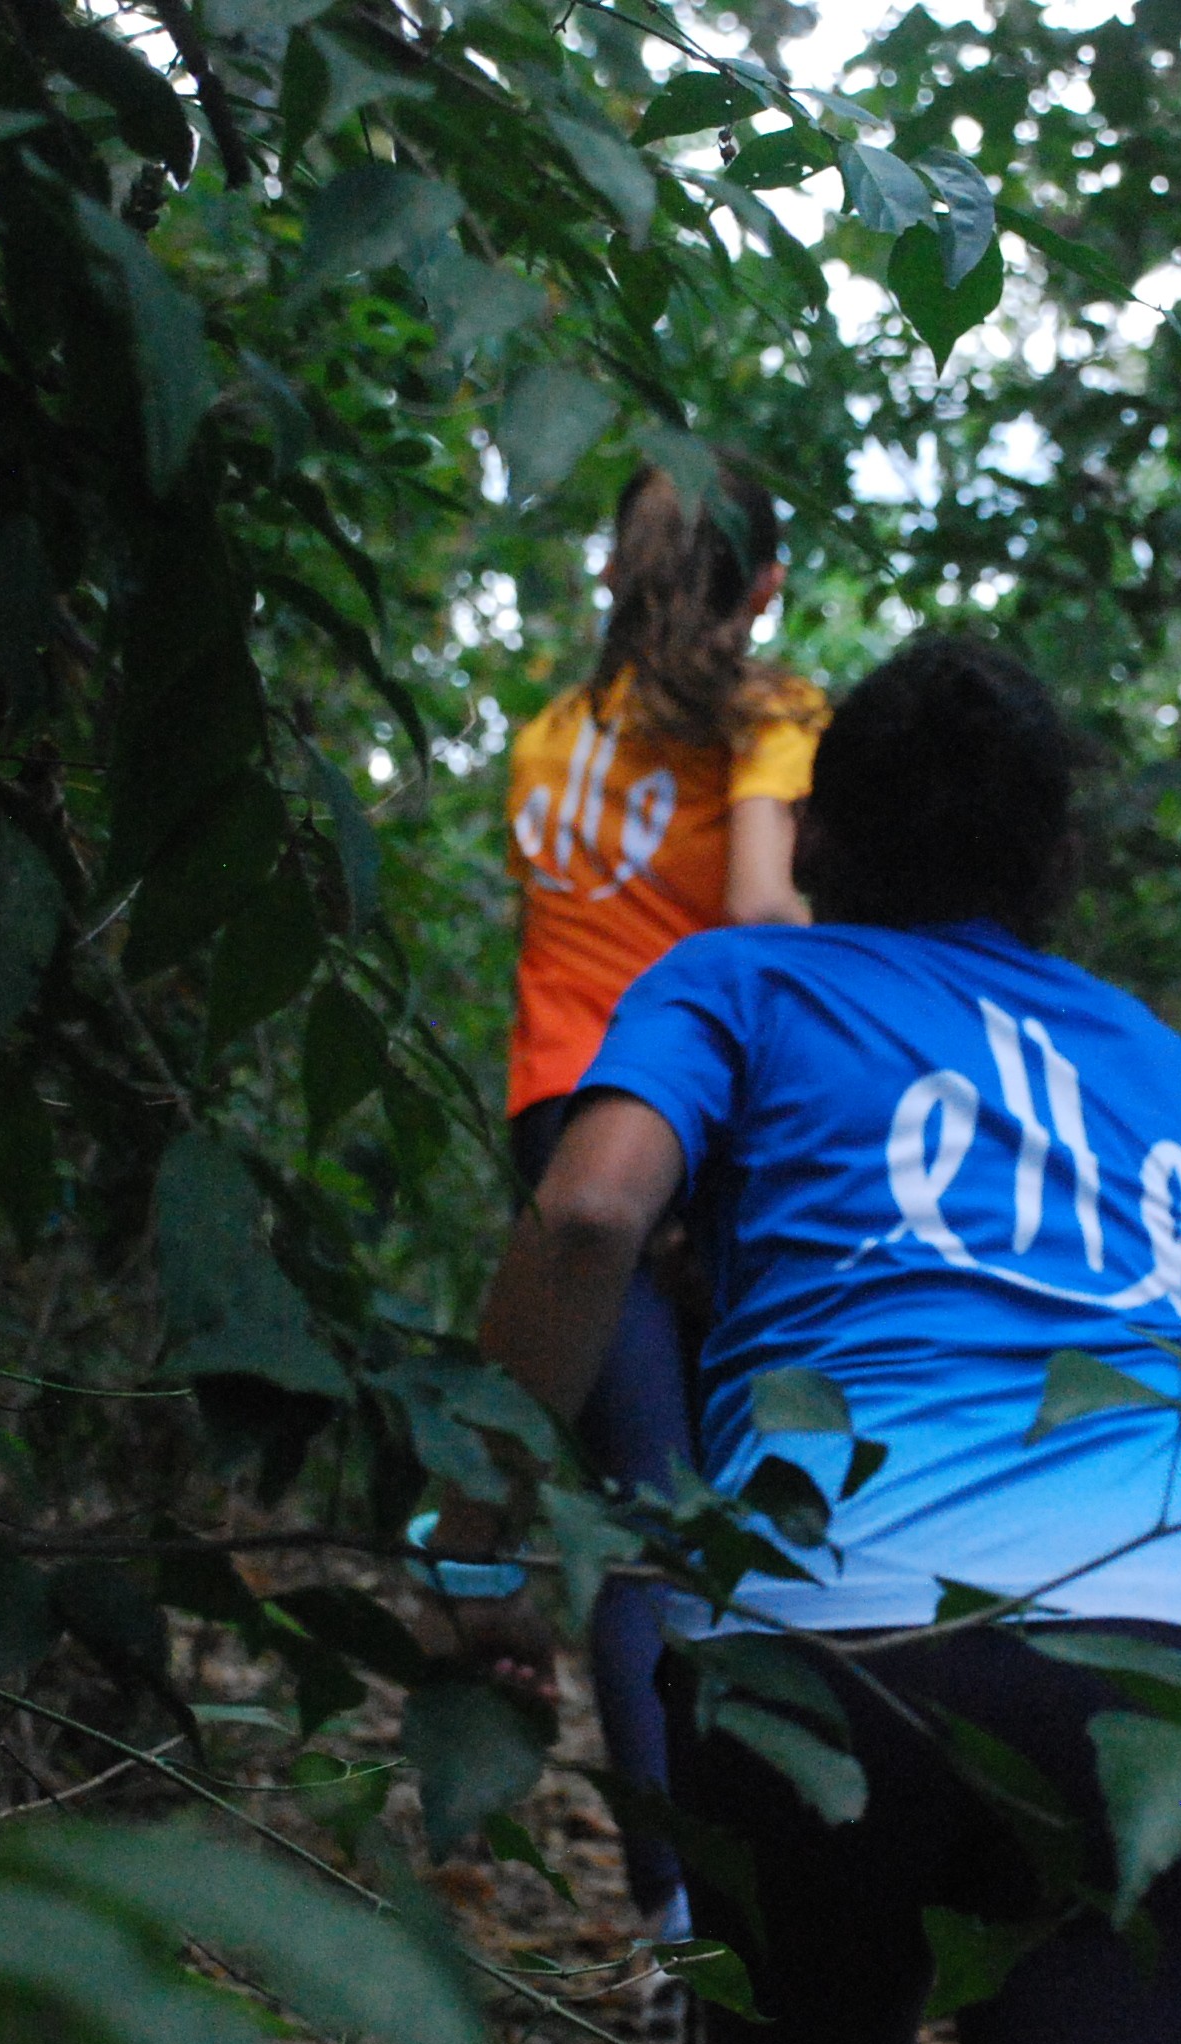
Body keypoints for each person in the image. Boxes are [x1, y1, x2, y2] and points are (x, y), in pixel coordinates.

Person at [450, 636, 1181, 2044]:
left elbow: (586, 1214)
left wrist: (468, 1559)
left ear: (818, 833)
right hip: (1176, 1666)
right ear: (1054, 853)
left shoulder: (739, 977)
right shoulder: (1162, 1068)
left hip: (837, 1651)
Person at [494, 460, 825, 1937]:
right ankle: (718, 1907)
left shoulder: (553, 734)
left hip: (554, 1120)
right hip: (689, 1122)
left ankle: (674, 1914)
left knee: (645, 1512)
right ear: (760, 586)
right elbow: (759, 910)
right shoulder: (769, 713)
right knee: (720, 1511)